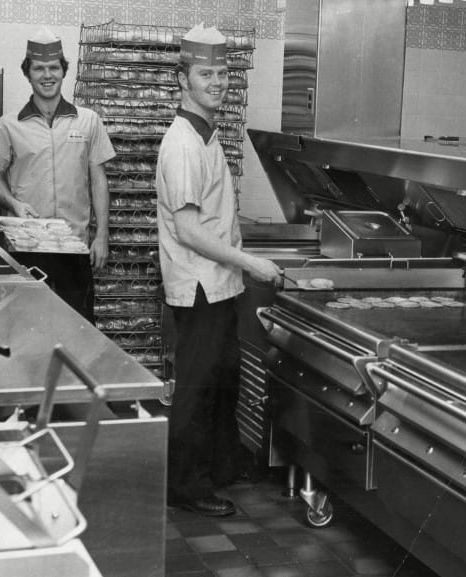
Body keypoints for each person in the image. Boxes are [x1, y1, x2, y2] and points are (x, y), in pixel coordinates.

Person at [156, 24, 282, 517]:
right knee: (197, 387)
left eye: (223, 72)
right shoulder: (183, 142)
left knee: (222, 380)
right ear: (183, 79)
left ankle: (218, 466)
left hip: (219, 284)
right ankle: (185, 485)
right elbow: (188, 230)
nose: (218, 82)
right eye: (205, 73)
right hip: (199, 286)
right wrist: (250, 262)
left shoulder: (206, 135)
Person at [0, 27, 115, 321]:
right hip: (26, 245)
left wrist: (101, 234)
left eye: (53, 67)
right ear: (27, 74)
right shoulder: (8, 126)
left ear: (63, 71)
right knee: (26, 329)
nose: (47, 75)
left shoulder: (89, 121)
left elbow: (99, 180)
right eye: (38, 68)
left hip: (75, 245)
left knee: (78, 330)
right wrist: (14, 204)